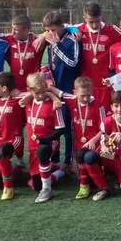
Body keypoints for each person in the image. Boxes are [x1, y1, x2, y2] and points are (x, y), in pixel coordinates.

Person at [55, 77, 108, 201]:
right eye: (82, 96)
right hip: (80, 146)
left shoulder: (98, 105)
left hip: (96, 145)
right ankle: (84, 185)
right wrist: (52, 97)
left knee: (88, 157)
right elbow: (56, 92)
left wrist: (93, 140)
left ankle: (103, 187)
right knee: (80, 155)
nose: (85, 98)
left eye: (88, 95)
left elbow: (104, 129)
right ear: (75, 92)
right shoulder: (71, 100)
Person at [42, 11, 80, 170]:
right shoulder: (51, 39)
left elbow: (72, 63)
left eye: (53, 30)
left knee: (68, 129)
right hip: (54, 90)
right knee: (54, 127)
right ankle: (54, 160)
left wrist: (57, 45)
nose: (50, 33)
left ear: (62, 26)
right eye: (47, 30)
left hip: (69, 91)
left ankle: (68, 161)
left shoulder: (72, 40)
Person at [23, 72, 66, 203]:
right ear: (29, 90)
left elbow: (61, 130)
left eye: (43, 92)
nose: (41, 96)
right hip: (33, 146)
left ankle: (47, 189)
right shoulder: (27, 101)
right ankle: (59, 170)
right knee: (35, 185)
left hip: (49, 143)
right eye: (37, 93)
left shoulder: (54, 105)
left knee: (42, 151)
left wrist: (45, 140)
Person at [75, 2, 121, 108]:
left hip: (106, 85)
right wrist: (42, 36)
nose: (95, 25)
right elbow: (58, 27)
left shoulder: (112, 30)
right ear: (84, 18)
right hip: (85, 88)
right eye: (91, 22)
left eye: (97, 21)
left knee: (106, 115)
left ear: (101, 16)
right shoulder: (79, 29)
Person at [0, 72, 26, 201]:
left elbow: (37, 92)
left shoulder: (17, 99)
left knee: (3, 152)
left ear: (4, 88)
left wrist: (22, 93)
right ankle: (19, 169)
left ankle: (9, 188)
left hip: (13, 139)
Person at [4, 14, 46, 93]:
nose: (12, 32)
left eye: (16, 29)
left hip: (34, 88)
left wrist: (43, 36)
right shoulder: (9, 39)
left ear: (26, 30)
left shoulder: (38, 41)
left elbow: (60, 27)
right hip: (15, 89)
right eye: (12, 28)